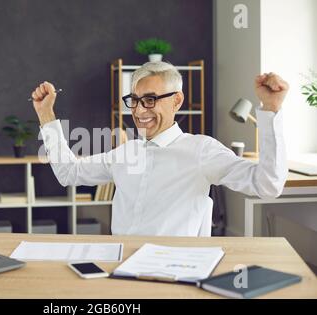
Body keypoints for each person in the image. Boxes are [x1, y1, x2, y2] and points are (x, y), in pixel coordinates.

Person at [31, 62, 289, 236]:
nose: (140, 110)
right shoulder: (126, 152)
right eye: (134, 101)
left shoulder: (201, 151)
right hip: (121, 268)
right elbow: (69, 173)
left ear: (177, 100)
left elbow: (268, 185)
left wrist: (271, 110)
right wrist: (46, 115)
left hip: (175, 273)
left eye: (150, 100)